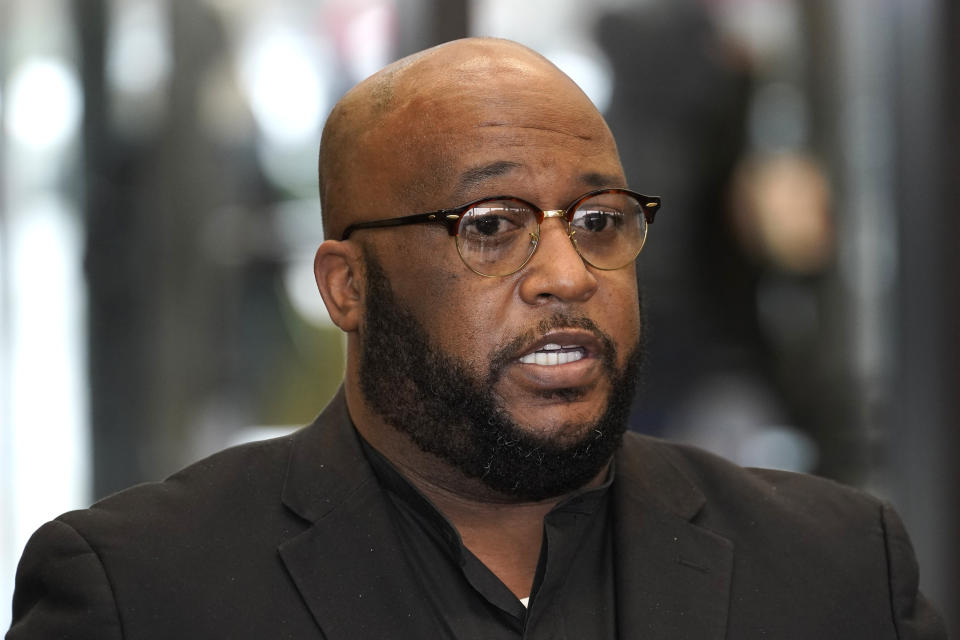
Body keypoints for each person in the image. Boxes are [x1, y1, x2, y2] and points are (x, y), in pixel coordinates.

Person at [6, 38, 945, 639]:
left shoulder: (838, 569)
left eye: (599, 220)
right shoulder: (141, 595)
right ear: (347, 285)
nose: (568, 273)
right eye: (490, 226)